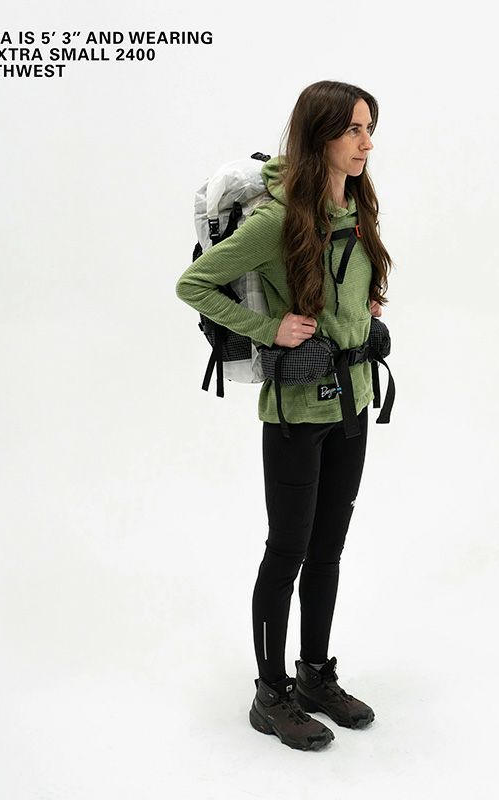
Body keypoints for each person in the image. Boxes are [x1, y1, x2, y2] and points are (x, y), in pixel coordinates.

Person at [176, 80, 392, 751]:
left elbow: (348, 290)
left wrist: (365, 312)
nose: (367, 142)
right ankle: (270, 696)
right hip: (297, 411)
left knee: (328, 551)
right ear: (319, 136)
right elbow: (194, 284)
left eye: (369, 128)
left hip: (354, 400)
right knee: (287, 552)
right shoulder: (276, 221)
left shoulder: (357, 207)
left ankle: (315, 677)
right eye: (353, 129)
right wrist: (269, 329)